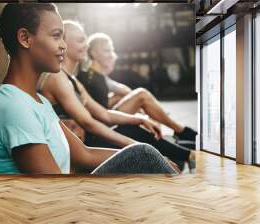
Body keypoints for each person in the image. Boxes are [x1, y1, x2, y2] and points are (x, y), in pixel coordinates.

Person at [0, 3, 177, 175]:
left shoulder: (37, 102)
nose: (63, 46)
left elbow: (84, 154)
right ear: (25, 38)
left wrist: (151, 160)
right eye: (56, 36)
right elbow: (50, 190)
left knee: (146, 153)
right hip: (48, 209)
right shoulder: (15, 107)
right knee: (145, 154)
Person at [37, 20, 195, 172]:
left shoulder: (73, 80)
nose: (86, 45)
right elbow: (90, 123)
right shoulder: (56, 78)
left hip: (88, 141)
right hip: (80, 150)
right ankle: (182, 154)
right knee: (131, 132)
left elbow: (104, 114)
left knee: (132, 127)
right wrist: (138, 148)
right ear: (63, 43)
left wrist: (141, 119)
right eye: (80, 40)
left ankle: (184, 154)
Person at [76, 33, 197, 144]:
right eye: (107, 51)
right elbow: (117, 95)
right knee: (141, 95)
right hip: (103, 122)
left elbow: (121, 91)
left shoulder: (98, 75)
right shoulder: (90, 76)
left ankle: (158, 126)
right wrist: (144, 113)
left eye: (111, 50)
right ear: (93, 53)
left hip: (103, 116)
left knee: (125, 96)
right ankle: (180, 130)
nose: (111, 54)